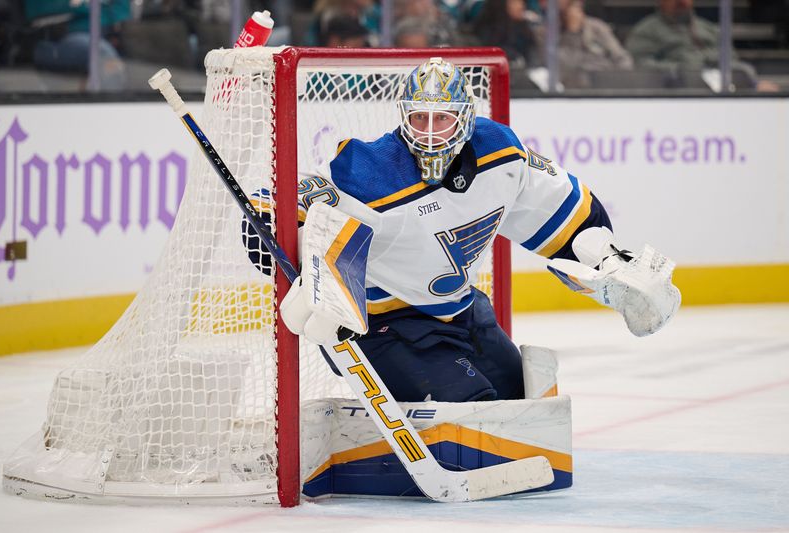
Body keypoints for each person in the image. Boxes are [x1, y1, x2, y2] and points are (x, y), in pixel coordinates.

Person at [245, 58, 681, 403]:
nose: (431, 135)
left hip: (463, 312)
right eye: (420, 119)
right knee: (472, 411)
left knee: (520, 401)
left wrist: (608, 260)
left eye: (443, 120)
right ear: (403, 118)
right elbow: (280, 210)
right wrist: (297, 260)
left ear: (466, 120)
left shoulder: (501, 155)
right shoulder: (368, 172)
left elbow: (563, 212)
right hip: (386, 326)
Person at [625, 0, 779, 91]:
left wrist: (753, 84)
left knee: (756, 81)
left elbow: (732, 60)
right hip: (675, 91)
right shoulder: (645, 31)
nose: (680, 1)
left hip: (720, 87)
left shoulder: (709, 29)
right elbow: (640, 65)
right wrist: (681, 70)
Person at [556, 0, 634, 88]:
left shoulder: (597, 27)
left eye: (577, 7)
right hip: (571, 87)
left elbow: (622, 58)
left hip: (605, 82)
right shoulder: (549, 34)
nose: (574, 13)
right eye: (569, 9)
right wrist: (572, 32)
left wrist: (619, 82)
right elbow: (567, 66)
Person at [473, 0, 543, 68]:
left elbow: (532, 50)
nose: (521, 6)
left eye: (522, 2)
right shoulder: (487, 29)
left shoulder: (523, 26)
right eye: (515, 2)